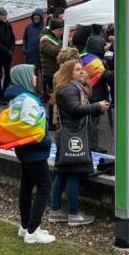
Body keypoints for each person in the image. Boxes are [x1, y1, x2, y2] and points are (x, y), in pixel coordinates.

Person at [51, 58, 108, 226]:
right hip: (73, 136)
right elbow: (76, 110)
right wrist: (97, 107)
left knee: (62, 172)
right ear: (69, 74)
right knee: (73, 173)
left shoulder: (71, 87)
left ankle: (55, 211)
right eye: (77, 69)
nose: (82, 71)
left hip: (69, 135)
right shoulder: (69, 89)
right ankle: (74, 214)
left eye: (81, 68)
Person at [4, 64, 56, 245]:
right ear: (24, 78)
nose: (35, 78)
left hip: (24, 150)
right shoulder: (27, 100)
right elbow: (31, 129)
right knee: (44, 188)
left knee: (26, 187)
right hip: (35, 151)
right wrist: (46, 141)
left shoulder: (16, 98)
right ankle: (33, 231)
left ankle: (25, 225)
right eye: (32, 75)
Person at [39, 18, 63, 126]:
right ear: (54, 30)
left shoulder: (52, 38)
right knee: (53, 97)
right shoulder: (45, 40)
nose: (61, 33)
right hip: (50, 73)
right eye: (60, 31)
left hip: (55, 71)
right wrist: (63, 44)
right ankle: (51, 124)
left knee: (57, 96)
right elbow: (53, 52)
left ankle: (56, 119)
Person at [23, 9, 45, 76]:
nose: (36, 17)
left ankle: (42, 86)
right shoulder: (28, 27)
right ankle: (33, 86)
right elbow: (25, 39)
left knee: (42, 75)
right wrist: (25, 48)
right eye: (34, 15)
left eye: (38, 15)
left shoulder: (45, 28)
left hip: (41, 55)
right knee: (32, 75)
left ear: (41, 17)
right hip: (31, 55)